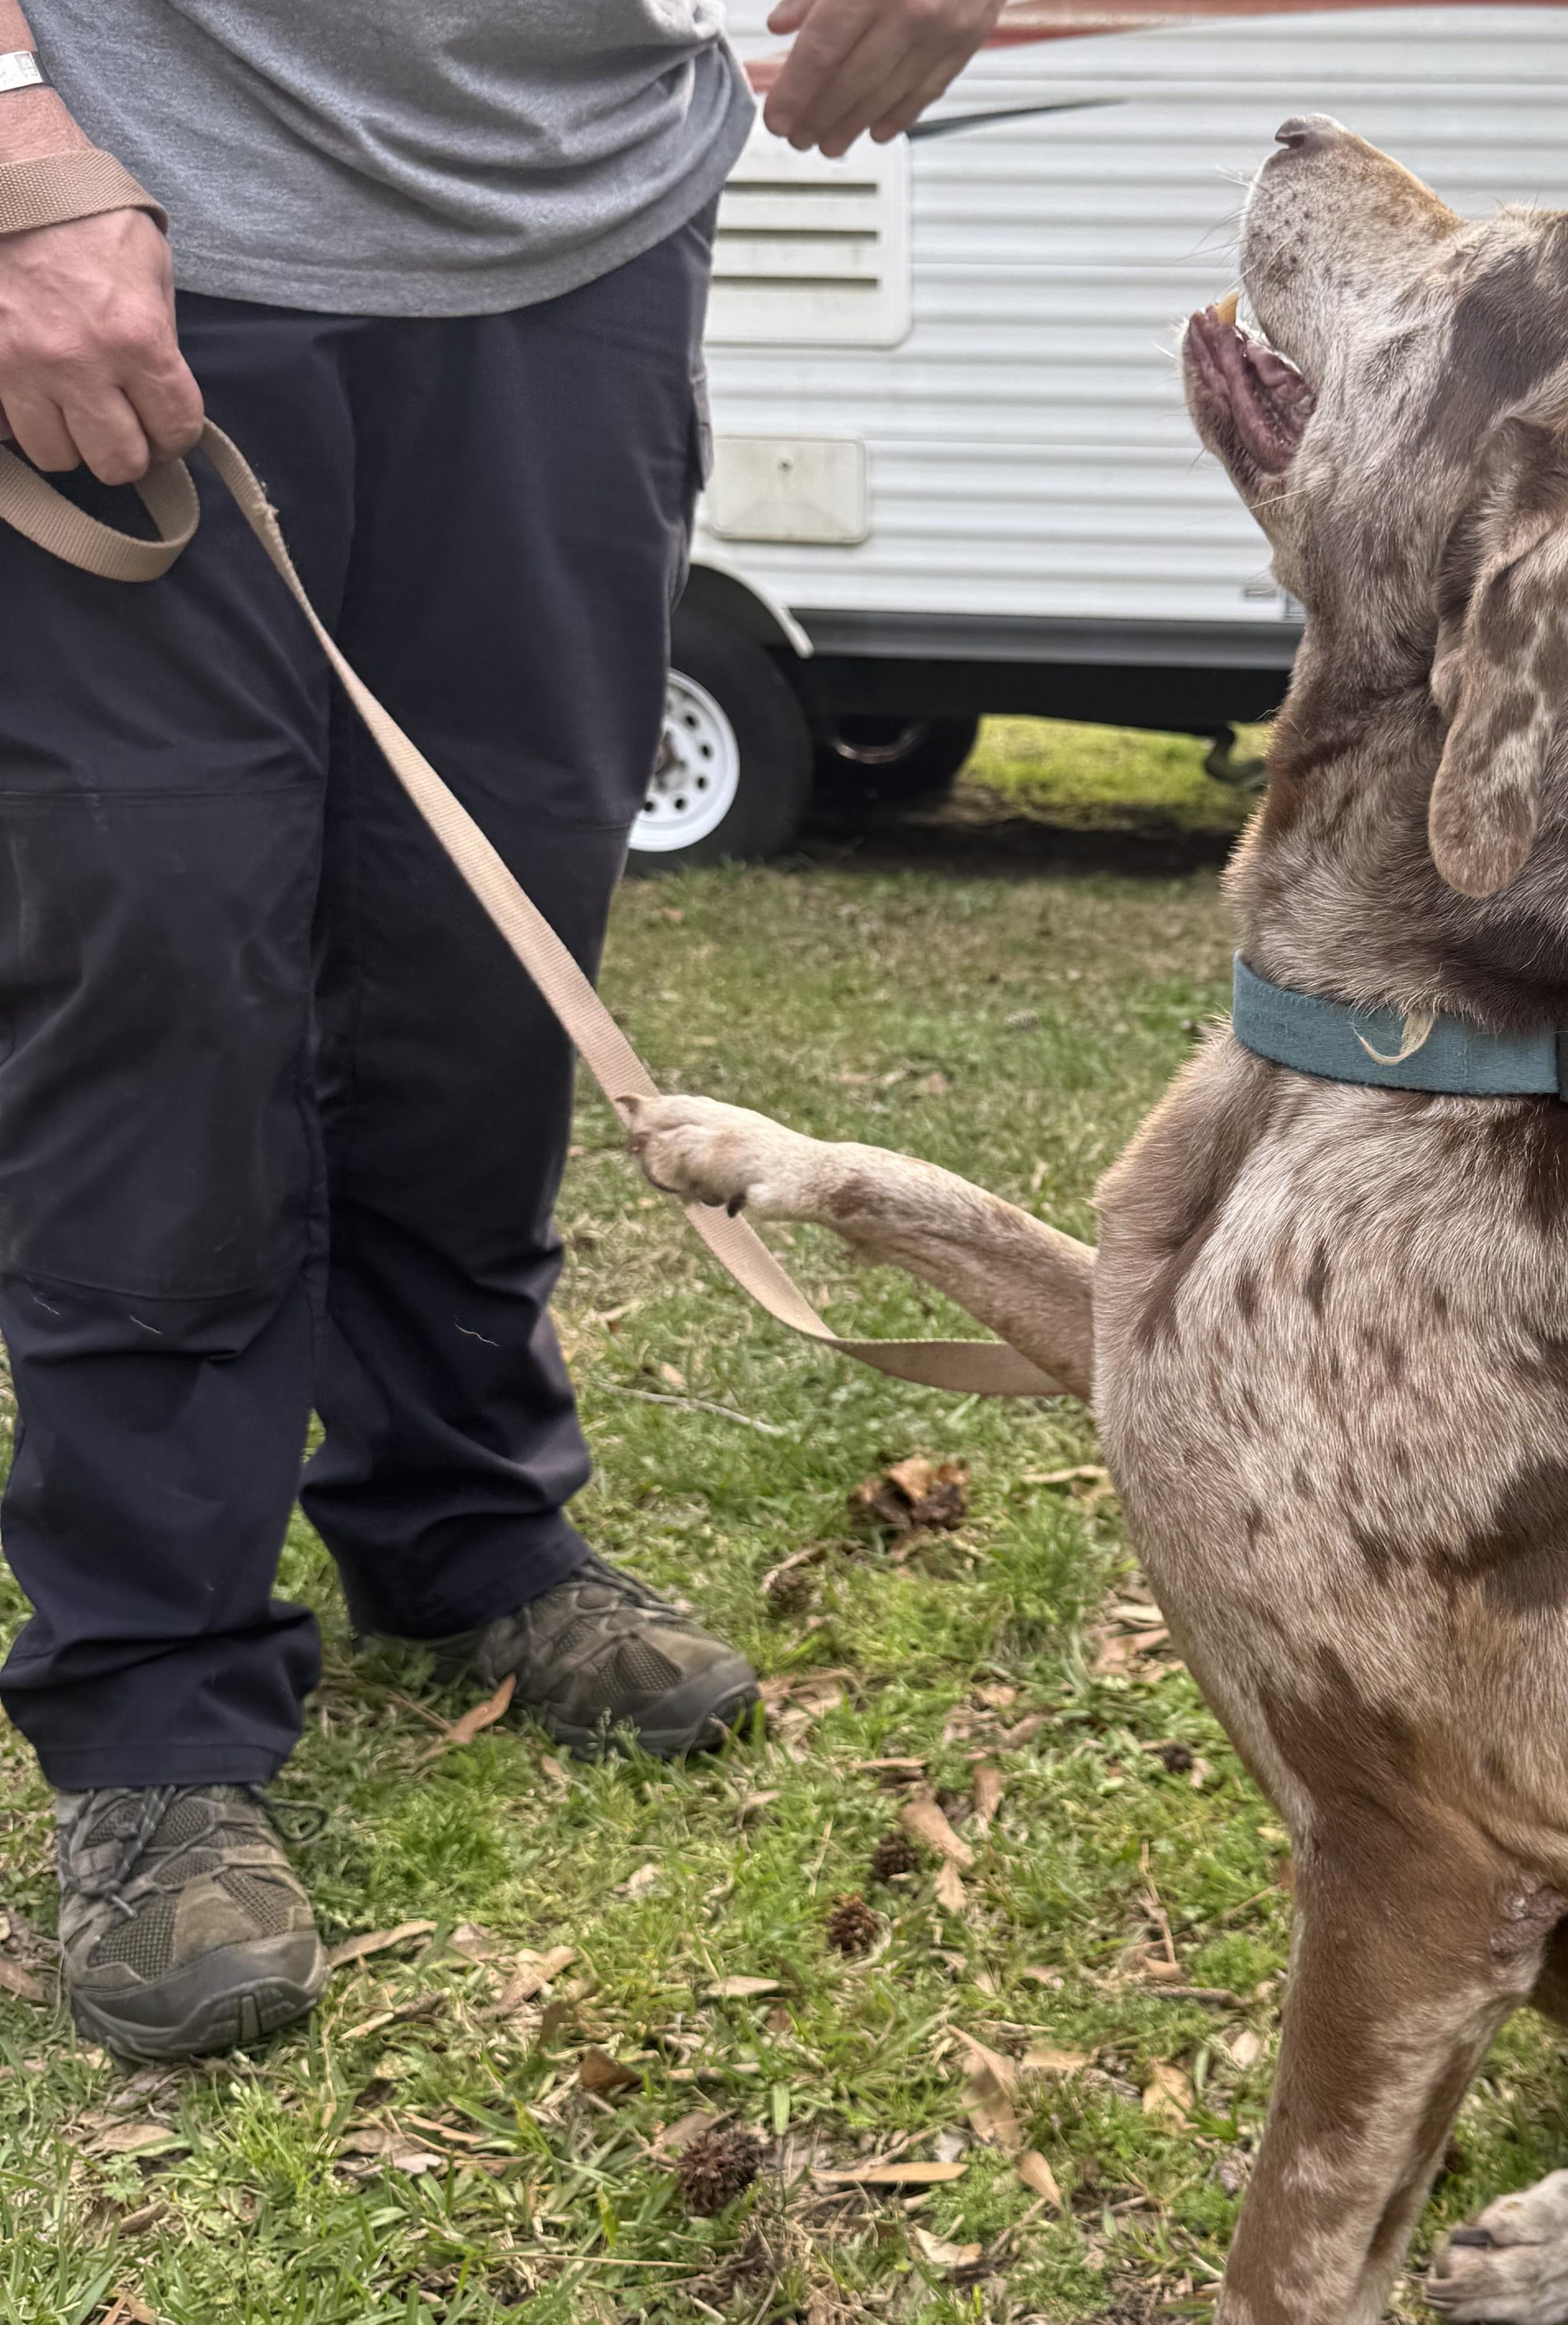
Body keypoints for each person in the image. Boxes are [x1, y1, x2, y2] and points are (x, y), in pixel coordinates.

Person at [0, 0, 1005, 2064]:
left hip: (579, 255)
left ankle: (464, 1529)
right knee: (165, 968)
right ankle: (156, 1694)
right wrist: (16, 152)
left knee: (490, 943)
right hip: (148, 221)